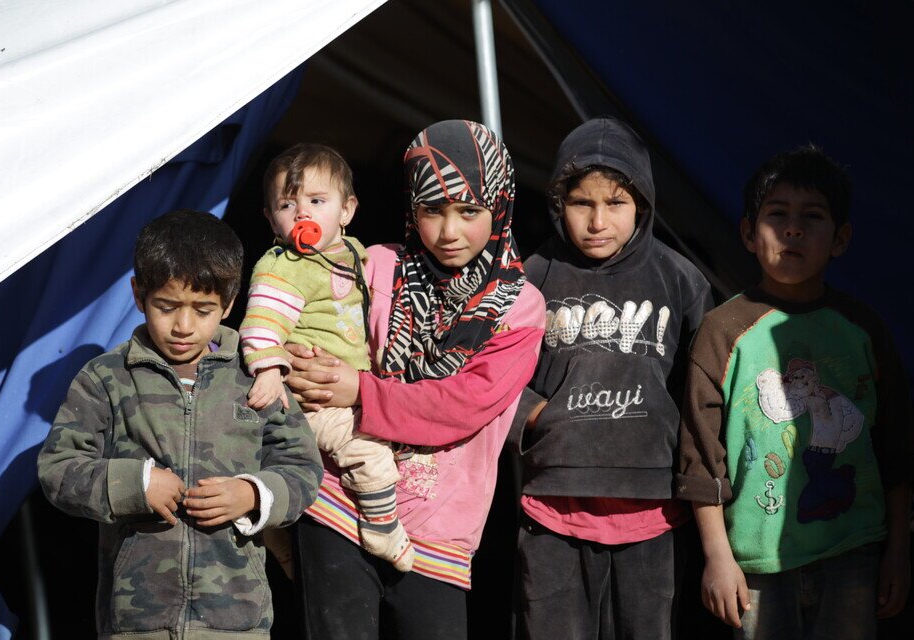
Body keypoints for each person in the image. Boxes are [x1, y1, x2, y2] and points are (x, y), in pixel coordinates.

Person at [285, 120, 546, 639]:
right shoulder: (374, 266)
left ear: (499, 207)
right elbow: (309, 320)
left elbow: (463, 404)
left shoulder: (521, 308)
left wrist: (360, 389)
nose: (449, 232)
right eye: (432, 211)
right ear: (412, 209)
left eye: (469, 211)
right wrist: (298, 355)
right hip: (339, 499)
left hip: (438, 527)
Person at [37, 209, 323, 639]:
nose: (183, 326)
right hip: (138, 622)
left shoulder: (256, 376)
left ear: (229, 304)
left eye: (203, 309)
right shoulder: (105, 378)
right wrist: (135, 484)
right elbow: (57, 469)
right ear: (138, 294)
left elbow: (303, 468)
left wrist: (252, 494)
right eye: (166, 306)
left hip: (236, 621)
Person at [677, 145, 914, 639]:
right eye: (777, 215)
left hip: (854, 552)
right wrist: (718, 557)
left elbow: (895, 448)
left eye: (812, 217)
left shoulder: (863, 328)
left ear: (841, 238)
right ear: (747, 232)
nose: (792, 229)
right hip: (758, 565)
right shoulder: (722, 332)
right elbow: (701, 459)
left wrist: (898, 550)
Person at [510, 116, 713, 639]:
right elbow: (494, 372)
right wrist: (536, 417)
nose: (598, 221)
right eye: (582, 203)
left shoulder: (680, 279)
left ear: (642, 205)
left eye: (616, 203)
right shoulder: (533, 276)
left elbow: (702, 390)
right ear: (559, 204)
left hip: (652, 505)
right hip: (556, 500)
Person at [240, 143, 414, 571]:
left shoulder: (353, 253)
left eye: (317, 202)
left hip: (351, 387)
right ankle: (381, 530)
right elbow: (261, 325)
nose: (303, 214)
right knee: (367, 453)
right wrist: (269, 371)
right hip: (311, 398)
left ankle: (276, 539)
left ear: (347, 209)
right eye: (287, 205)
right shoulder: (282, 267)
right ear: (269, 218)